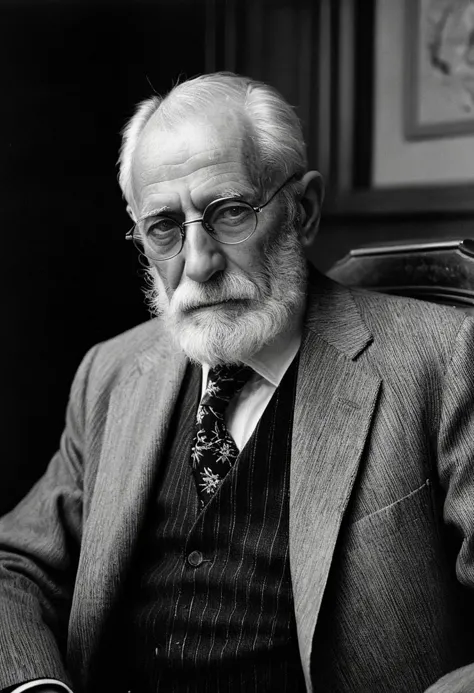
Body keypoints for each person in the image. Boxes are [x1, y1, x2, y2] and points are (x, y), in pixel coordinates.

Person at [1, 72, 474, 693]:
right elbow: (17, 564)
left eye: (228, 213)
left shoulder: (442, 359)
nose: (197, 262)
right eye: (164, 227)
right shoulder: (111, 372)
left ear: (301, 210)